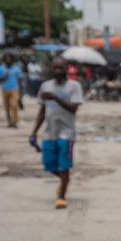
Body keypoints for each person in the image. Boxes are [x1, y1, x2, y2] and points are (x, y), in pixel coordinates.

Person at [30, 57, 84, 209]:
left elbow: (73, 108)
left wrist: (54, 97)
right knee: (49, 164)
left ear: (67, 69)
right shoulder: (45, 86)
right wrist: (33, 132)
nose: (57, 71)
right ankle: (65, 180)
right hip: (49, 132)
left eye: (60, 68)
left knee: (64, 165)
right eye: (55, 68)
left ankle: (61, 196)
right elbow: (42, 111)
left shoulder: (74, 86)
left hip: (67, 133)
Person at [0, 53, 23, 128]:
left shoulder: (16, 68)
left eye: (10, 58)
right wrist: (4, 77)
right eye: (7, 59)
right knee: (7, 107)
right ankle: (9, 121)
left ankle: (14, 122)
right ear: (4, 60)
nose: (8, 60)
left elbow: (20, 79)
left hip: (14, 89)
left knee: (14, 105)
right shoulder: (1, 68)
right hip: (4, 89)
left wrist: (21, 92)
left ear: (12, 59)